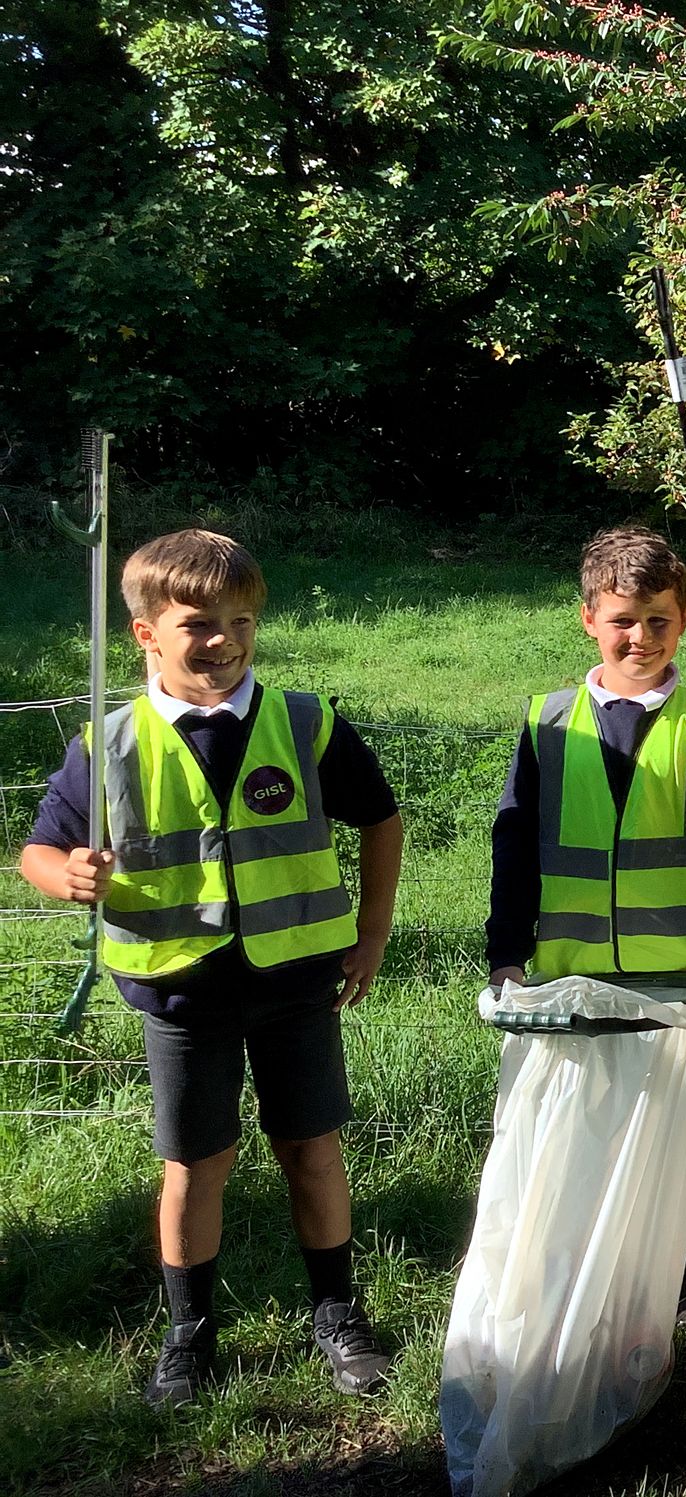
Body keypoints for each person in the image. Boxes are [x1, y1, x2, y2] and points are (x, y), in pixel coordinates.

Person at [20, 529, 405, 1406]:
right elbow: (39, 850)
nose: (224, 640)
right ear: (146, 632)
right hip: (181, 991)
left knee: (312, 1147)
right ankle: (189, 1335)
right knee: (197, 1163)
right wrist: (65, 874)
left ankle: (339, 1315)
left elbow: (380, 817)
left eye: (241, 620)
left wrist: (373, 933)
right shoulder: (109, 742)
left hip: (298, 983)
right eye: (198, 623)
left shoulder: (305, 724)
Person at [485, 526, 686, 1327]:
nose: (638, 637)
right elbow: (514, 850)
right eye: (622, 620)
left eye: (658, 621)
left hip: (681, 982)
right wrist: (507, 957)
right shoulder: (547, 723)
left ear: (684, 622)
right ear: (588, 620)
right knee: (582, 1131)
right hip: (572, 975)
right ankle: (589, 1266)